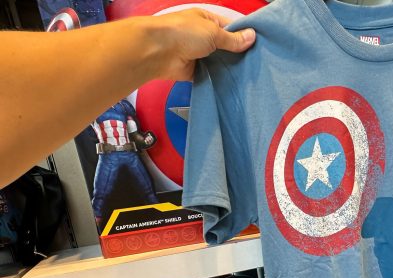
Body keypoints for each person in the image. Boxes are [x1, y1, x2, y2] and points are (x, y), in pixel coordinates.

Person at [0, 9, 255, 187]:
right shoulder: (105, 109)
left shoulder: (117, 107)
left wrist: (162, 44)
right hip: (111, 153)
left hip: (123, 150)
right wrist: (161, 43)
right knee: (108, 192)